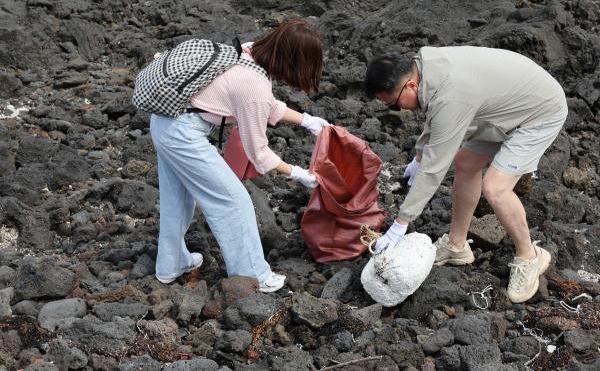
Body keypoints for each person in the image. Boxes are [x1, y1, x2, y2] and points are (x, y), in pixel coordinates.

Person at [364, 46, 568, 303]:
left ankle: (530, 256)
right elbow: (434, 114)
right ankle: (456, 246)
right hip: (501, 107)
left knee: (495, 187)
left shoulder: (451, 95)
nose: (398, 110)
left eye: (393, 104)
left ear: (411, 86)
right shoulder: (426, 66)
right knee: (466, 162)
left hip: (539, 111)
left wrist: (400, 224)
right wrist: (418, 155)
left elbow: (434, 168)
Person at [150, 19, 329, 292]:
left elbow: (262, 104)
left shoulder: (247, 51)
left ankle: (170, 265)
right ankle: (253, 276)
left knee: (178, 200)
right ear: (292, 61)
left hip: (164, 121)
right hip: (181, 134)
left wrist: (306, 120)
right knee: (233, 201)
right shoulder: (254, 84)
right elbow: (258, 153)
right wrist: (298, 174)